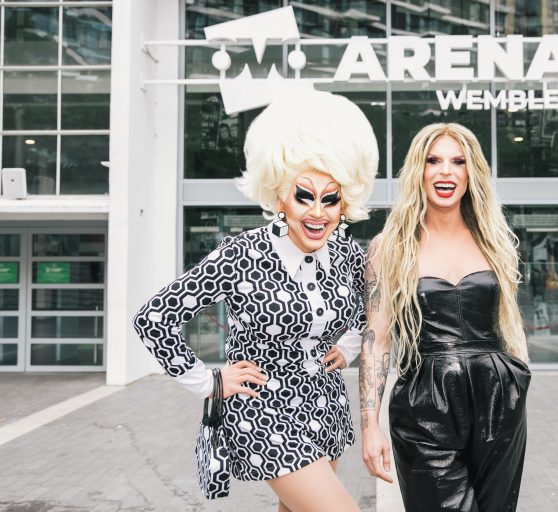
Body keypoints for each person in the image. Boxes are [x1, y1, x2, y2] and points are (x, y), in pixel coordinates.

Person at [132, 90, 378, 512]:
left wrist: (350, 344)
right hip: (263, 412)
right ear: (279, 195)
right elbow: (153, 318)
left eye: (330, 198)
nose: (317, 212)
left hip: (326, 408)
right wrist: (208, 382)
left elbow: (369, 306)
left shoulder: (345, 253)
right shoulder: (241, 254)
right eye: (304, 195)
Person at [359, 123, 531, 511]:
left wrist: (521, 380)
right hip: (425, 405)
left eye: (458, 161)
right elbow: (377, 338)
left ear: (472, 172)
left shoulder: (495, 241)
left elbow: (510, 321)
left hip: (498, 399)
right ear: (418, 171)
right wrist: (370, 426)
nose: (445, 171)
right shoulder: (389, 247)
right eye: (433, 160)